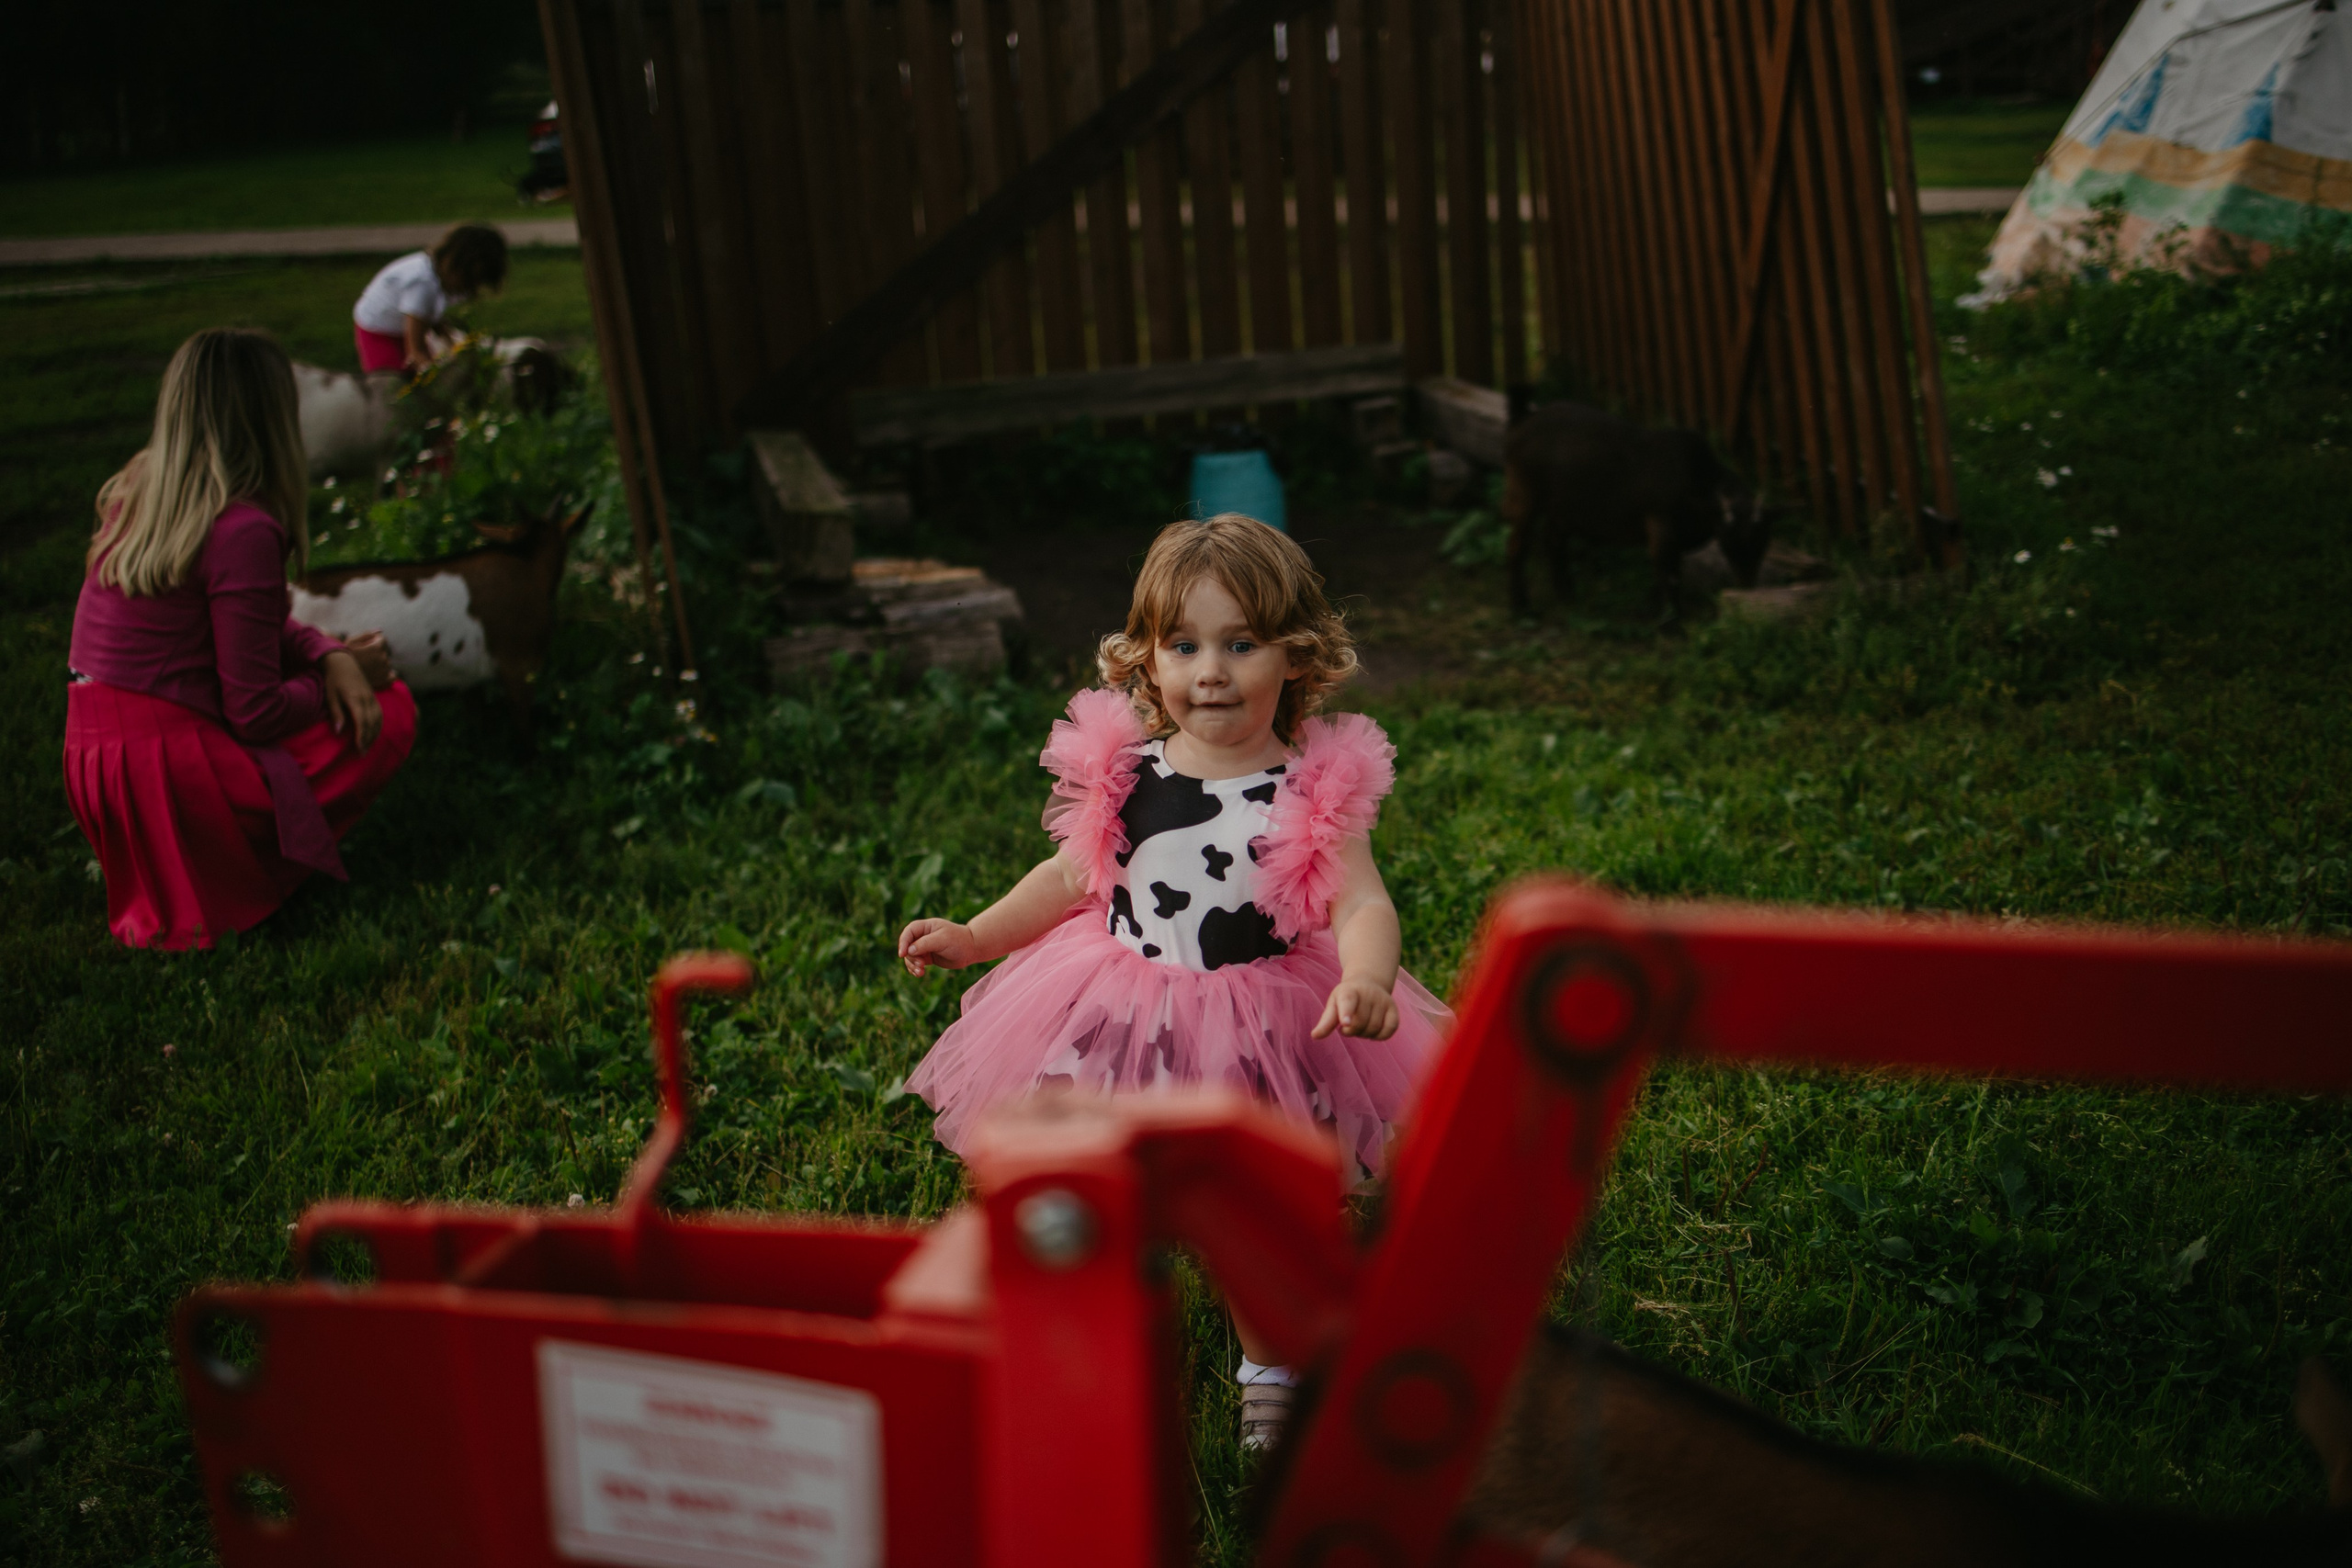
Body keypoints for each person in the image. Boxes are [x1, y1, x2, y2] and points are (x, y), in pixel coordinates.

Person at [897, 513, 1452, 1450]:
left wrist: (1366, 974)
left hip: (1263, 1029)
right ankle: (1090, 1335)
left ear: (1295, 655)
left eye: (1241, 645)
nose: (1211, 672)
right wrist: (977, 935)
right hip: (1123, 1016)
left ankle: (1269, 1363)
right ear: (1145, 661)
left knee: (1255, 1213)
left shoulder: (1307, 789)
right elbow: (1069, 881)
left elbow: (1361, 902)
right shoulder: (1128, 773)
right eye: (1183, 645)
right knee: (1095, 1192)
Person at [64, 328, 416, 951]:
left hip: (99, 758)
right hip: (167, 772)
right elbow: (254, 711)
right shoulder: (244, 527)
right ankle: (247, 863)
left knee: (341, 686)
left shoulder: (142, 486)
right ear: (276, 415)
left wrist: (328, 654)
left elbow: (251, 627)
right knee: (390, 710)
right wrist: (347, 676)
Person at [351, 222, 508, 374]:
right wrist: (432, 373)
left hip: (402, 328)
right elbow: (416, 351)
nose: (470, 290)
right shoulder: (422, 285)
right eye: (472, 282)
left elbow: (432, 317)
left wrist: (453, 347)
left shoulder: (436, 273)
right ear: (459, 268)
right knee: (393, 385)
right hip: (381, 334)